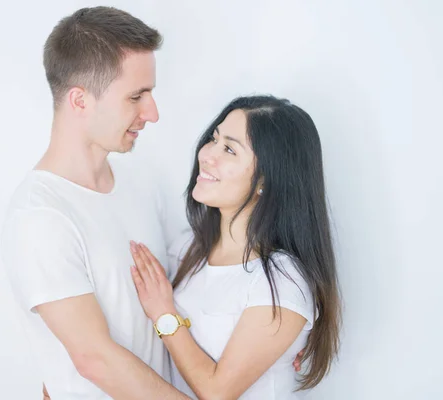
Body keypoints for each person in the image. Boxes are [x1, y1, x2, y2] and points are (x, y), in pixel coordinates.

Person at [1, 6, 189, 399]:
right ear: (80, 100)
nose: (152, 113)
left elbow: (186, 280)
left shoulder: (140, 179)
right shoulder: (40, 216)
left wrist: (271, 332)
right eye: (136, 96)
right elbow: (95, 358)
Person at [129, 95, 342, 399]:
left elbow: (217, 392)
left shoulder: (282, 282)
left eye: (229, 149)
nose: (207, 155)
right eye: (213, 139)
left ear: (265, 180)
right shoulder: (188, 246)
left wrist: (164, 314)